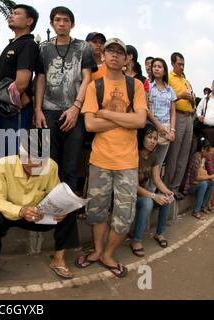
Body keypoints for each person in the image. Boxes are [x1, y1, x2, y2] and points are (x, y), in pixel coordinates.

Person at [0, 129, 77, 296]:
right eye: (33, 162)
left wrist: (60, 209)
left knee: (69, 209)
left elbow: (56, 195)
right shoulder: (3, 165)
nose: (38, 167)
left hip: (37, 214)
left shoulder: (50, 166)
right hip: (8, 213)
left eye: (41, 162)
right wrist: (20, 211)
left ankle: (58, 259)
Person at [77, 38, 147, 278]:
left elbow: (140, 121)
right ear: (104, 56)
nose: (115, 55)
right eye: (110, 51)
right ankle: (97, 251)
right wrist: (121, 118)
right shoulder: (94, 87)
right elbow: (89, 125)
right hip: (100, 159)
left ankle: (109, 254)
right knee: (97, 211)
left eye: (120, 52)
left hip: (127, 161)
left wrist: (105, 113)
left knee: (124, 215)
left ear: (127, 58)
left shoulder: (135, 86)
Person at [35, 6, 97, 247]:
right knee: (50, 166)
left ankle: (68, 225)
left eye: (66, 20)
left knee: (71, 168)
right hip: (49, 111)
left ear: (72, 24)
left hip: (75, 112)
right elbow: (39, 78)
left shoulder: (84, 48)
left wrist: (76, 107)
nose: (61, 24)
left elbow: (87, 78)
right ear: (52, 24)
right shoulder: (43, 48)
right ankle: (50, 215)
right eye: (57, 20)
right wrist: (39, 109)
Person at [0, 4, 40, 159]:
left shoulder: (28, 44)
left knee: (12, 159)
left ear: (29, 21)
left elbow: (22, 83)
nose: (11, 15)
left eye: (17, 13)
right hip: (2, 110)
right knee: (0, 158)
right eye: (11, 13)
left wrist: (2, 101)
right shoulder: (11, 44)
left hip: (16, 111)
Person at [130, 125, 174, 257]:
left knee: (166, 199)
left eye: (155, 138)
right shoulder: (133, 154)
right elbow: (134, 186)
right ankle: (136, 241)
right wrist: (154, 196)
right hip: (130, 195)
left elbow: (157, 180)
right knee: (148, 202)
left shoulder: (153, 156)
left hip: (144, 194)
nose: (153, 141)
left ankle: (159, 233)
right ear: (141, 137)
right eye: (149, 137)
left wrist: (167, 192)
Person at [164, 52, 196, 200]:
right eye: (179, 64)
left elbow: (191, 97)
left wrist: (193, 102)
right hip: (178, 116)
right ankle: (167, 188)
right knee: (174, 154)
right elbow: (166, 98)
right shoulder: (168, 78)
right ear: (172, 63)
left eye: (183, 64)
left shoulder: (186, 80)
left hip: (189, 117)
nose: (182, 66)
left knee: (184, 155)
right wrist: (180, 96)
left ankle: (175, 188)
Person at [147, 57, 177, 170]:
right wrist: (157, 125)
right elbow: (145, 108)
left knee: (158, 164)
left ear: (164, 71)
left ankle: (153, 188)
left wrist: (172, 130)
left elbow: (173, 112)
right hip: (150, 127)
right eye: (154, 66)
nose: (156, 69)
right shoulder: (148, 87)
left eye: (159, 67)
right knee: (147, 161)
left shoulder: (170, 90)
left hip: (166, 129)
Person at [182, 138, 214, 220]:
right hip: (190, 186)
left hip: (197, 183)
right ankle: (196, 211)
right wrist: (210, 176)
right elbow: (197, 177)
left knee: (211, 183)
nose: (208, 153)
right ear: (202, 149)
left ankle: (203, 206)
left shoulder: (203, 157)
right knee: (204, 184)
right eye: (207, 151)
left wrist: (209, 177)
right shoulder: (196, 157)